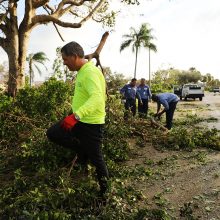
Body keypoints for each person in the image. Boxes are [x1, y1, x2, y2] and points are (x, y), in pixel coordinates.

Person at [46, 41, 109, 196]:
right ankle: (82, 150)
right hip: (80, 121)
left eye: (65, 59)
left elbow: (97, 99)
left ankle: (104, 194)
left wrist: (75, 116)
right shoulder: (83, 70)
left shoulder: (90, 72)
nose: (64, 63)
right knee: (53, 133)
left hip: (91, 124)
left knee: (97, 160)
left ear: (74, 57)